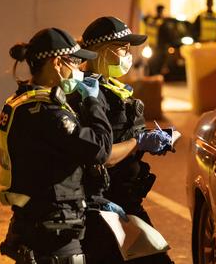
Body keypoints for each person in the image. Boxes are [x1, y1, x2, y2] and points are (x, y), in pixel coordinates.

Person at [0, 28, 113, 263]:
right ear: (57, 62)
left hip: (34, 219)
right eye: (76, 63)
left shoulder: (21, 101)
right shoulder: (48, 113)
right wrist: (93, 102)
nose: (80, 70)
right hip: (53, 229)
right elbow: (100, 148)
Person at [75, 16, 175, 263]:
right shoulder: (89, 95)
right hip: (105, 203)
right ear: (102, 52)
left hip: (123, 199)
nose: (128, 55)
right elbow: (101, 155)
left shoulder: (111, 89)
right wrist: (139, 142)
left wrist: (150, 143)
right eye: (122, 48)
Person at [146, 5, 180, 76]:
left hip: (152, 47)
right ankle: (155, 79)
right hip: (158, 48)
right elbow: (168, 34)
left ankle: (154, 79)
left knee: (152, 64)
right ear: (161, 11)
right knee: (157, 65)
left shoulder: (152, 21)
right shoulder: (162, 22)